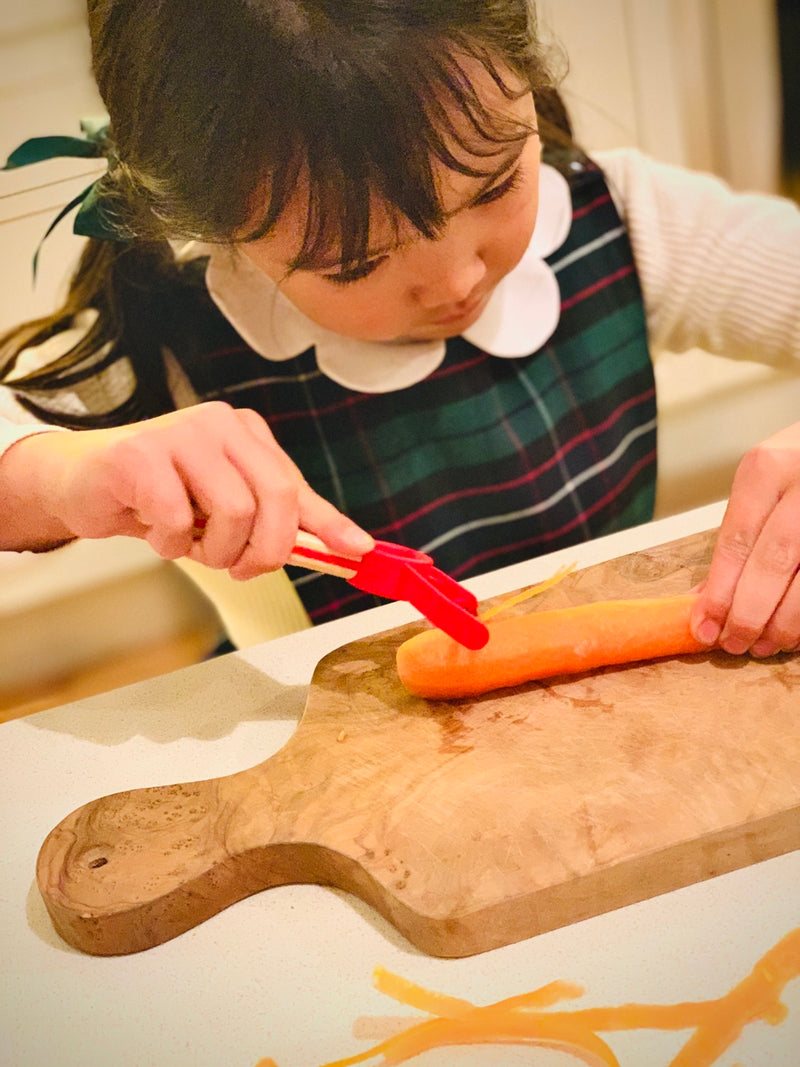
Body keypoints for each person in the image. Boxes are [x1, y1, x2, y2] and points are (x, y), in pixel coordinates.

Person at [1, 0, 799, 658]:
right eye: (356, 264)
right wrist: (62, 477)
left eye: (495, 186)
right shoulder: (175, 334)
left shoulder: (622, 220)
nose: (458, 282)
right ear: (224, 232)